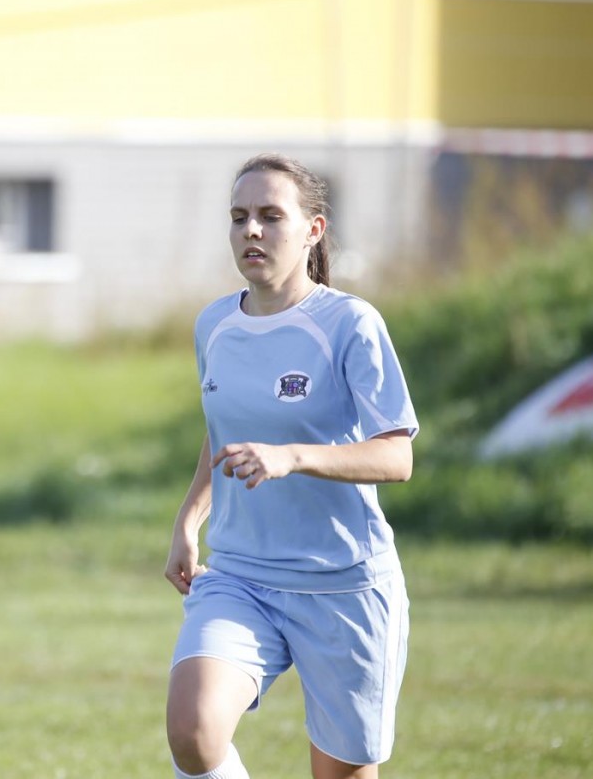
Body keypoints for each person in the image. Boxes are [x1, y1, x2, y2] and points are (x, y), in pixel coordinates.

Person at [164, 153, 418, 779]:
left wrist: (293, 457)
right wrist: (188, 521)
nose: (251, 229)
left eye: (270, 216)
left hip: (343, 585)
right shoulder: (214, 325)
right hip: (241, 575)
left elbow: (397, 456)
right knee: (193, 732)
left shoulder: (350, 323)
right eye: (239, 217)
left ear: (313, 230)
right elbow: (223, 431)